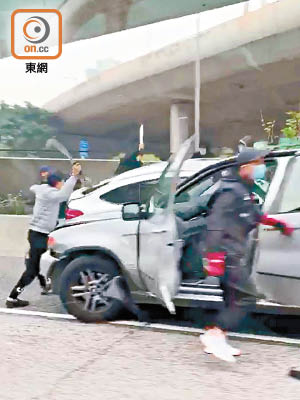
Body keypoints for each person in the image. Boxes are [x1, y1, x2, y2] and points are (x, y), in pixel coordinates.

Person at [199, 148, 294, 362]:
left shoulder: (241, 189)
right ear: (245, 168)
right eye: (257, 163)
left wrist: (276, 223)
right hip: (227, 254)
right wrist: (214, 257)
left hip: (234, 252)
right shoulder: (229, 192)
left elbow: (253, 213)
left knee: (231, 298)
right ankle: (214, 335)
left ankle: (218, 338)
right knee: (246, 297)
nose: (262, 167)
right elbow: (215, 225)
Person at [6, 163, 82, 308]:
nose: (63, 184)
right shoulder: (50, 194)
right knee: (32, 271)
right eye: (62, 182)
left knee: (40, 263)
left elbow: (37, 188)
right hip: (39, 236)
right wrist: (74, 176)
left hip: (39, 234)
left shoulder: (44, 190)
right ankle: (13, 297)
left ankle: (44, 284)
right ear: (57, 183)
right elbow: (63, 194)